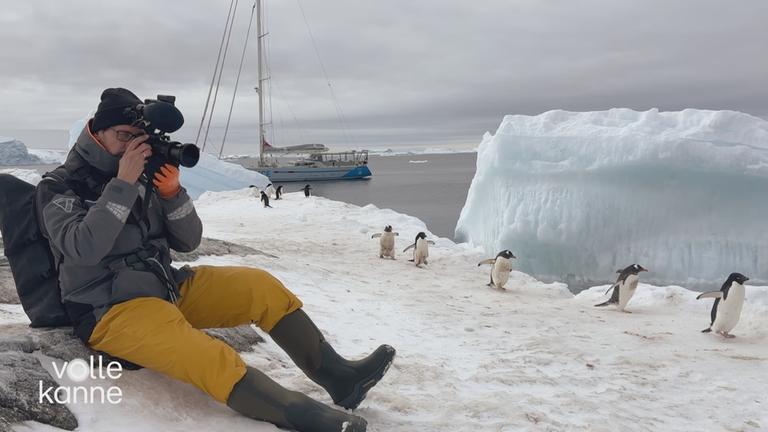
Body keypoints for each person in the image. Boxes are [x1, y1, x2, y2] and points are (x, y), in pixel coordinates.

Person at [38, 88, 395, 432]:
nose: (131, 145)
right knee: (208, 355)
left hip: (164, 287)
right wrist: (124, 183)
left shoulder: (141, 176)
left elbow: (188, 240)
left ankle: (341, 379)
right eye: (123, 135)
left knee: (259, 287)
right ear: (94, 132)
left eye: (137, 138)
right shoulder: (59, 185)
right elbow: (82, 247)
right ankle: (301, 414)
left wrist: (172, 194)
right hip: (109, 309)